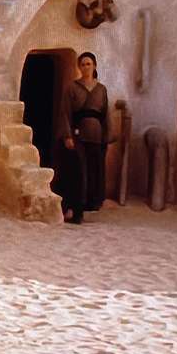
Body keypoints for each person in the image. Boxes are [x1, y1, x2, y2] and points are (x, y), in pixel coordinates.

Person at [60, 51, 110, 224]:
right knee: (78, 173)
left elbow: (105, 115)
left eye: (89, 64)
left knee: (93, 173)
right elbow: (65, 113)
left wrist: (106, 137)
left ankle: (90, 206)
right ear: (79, 67)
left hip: (96, 136)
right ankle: (76, 211)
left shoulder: (101, 90)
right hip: (78, 135)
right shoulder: (72, 88)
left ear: (94, 66)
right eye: (82, 64)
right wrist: (67, 136)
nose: (86, 67)